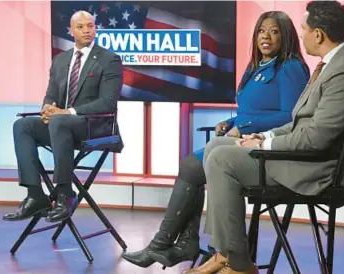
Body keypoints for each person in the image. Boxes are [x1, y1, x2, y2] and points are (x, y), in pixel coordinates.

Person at [184, 1, 344, 274]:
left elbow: (316, 138)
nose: (302, 35)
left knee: (221, 159)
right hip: (306, 157)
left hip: (320, 168)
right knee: (218, 144)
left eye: (304, 29)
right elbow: (301, 122)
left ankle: (236, 262)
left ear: (319, 34)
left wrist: (266, 144)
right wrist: (263, 135)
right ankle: (224, 252)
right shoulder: (332, 66)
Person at [122, 11, 310, 269]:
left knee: (190, 166)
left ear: (286, 36)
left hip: (263, 148)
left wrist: (244, 126)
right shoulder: (257, 66)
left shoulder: (290, 68)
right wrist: (231, 123)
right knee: (191, 167)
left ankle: (167, 243)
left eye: (274, 31)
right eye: (261, 31)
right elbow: (252, 110)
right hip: (242, 139)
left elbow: (291, 116)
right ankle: (181, 242)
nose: (265, 37)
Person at [3, 11, 123, 223]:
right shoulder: (60, 60)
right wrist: (47, 109)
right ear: (71, 31)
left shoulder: (109, 60)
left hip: (94, 126)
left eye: (91, 25)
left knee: (59, 121)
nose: (87, 30)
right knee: (22, 125)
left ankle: (65, 194)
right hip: (61, 127)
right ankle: (35, 195)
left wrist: (65, 113)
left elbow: (107, 103)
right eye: (81, 26)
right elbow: (51, 95)